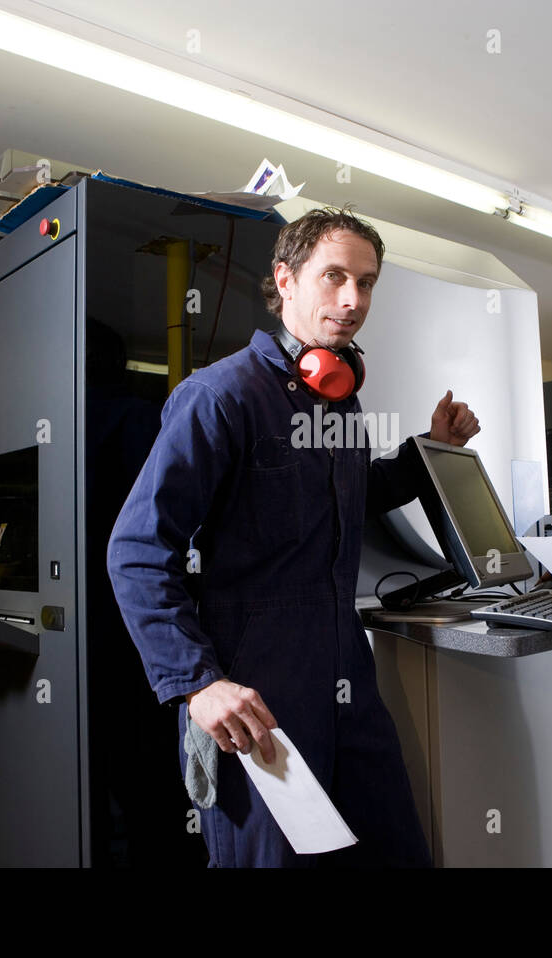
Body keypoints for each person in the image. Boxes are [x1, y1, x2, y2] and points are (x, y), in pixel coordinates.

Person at [106, 207, 480, 867]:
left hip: (346, 675)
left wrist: (432, 450)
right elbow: (136, 551)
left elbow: (358, 497)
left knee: (393, 850)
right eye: (334, 276)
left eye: (366, 283)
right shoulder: (220, 398)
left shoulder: (340, 402)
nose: (353, 298)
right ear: (285, 279)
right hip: (258, 692)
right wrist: (199, 684)